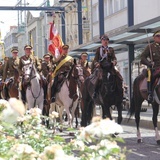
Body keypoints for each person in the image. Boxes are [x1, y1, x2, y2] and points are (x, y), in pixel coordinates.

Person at [91, 34, 123, 98]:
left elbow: (114, 58)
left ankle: (120, 90)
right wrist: (97, 63)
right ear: (101, 41)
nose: (105, 42)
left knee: (118, 75)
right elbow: (95, 59)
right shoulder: (98, 49)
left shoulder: (111, 49)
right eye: (104, 40)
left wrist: (114, 62)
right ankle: (95, 91)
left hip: (110, 66)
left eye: (107, 40)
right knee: (98, 77)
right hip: (101, 67)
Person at [141, 30, 160, 103]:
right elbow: (143, 57)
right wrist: (149, 63)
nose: (159, 37)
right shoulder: (150, 47)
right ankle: (150, 94)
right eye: (158, 36)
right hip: (155, 68)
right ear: (154, 38)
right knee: (150, 75)